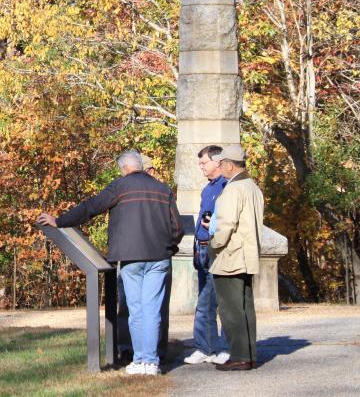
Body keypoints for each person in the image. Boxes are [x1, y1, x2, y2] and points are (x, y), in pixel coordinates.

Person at [38, 149, 183, 376]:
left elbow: (91, 208)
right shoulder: (163, 189)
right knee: (152, 310)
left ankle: (141, 359)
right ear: (140, 166)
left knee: (135, 310)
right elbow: (178, 228)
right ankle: (152, 362)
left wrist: (59, 221)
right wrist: (168, 246)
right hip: (159, 257)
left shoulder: (120, 187)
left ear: (124, 168)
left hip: (131, 257)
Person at [209, 144, 263, 371]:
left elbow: (227, 224)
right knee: (245, 306)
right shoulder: (252, 187)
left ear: (229, 165)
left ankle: (239, 356)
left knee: (230, 308)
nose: (220, 166)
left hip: (231, 256)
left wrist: (214, 244)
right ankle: (248, 354)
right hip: (247, 255)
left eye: (221, 163)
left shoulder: (233, 189)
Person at [184, 146, 231, 365]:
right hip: (202, 247)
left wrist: (212, 225)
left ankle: (223, 348)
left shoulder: (228, 186)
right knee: (205, 301)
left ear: (217, 162)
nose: (201, 167)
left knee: (217, 301)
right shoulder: (208, 188)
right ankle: (206, 348)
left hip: (216, 248)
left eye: (204, 162)